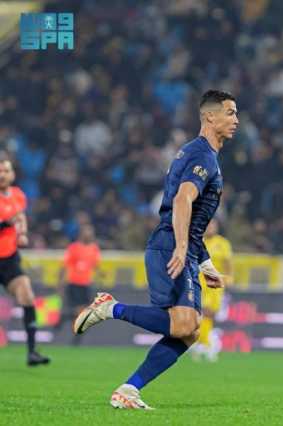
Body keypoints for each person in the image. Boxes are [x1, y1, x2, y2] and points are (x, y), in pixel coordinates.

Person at [73, 90, 238, 409]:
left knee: (188, 332)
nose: (236, 120)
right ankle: (110, 308)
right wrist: (179, 247)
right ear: (209, 117)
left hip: (182, 249)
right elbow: (181, 201)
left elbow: (195, 221)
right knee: (184, 324)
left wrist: (204, 263)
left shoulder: (198, 154)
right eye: (230, 113)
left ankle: (129, 390)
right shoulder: (202, 156)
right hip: (169, 247)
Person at [0, 159, 50, 366]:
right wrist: (5, 224)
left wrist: (22, 233)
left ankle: (32, 352)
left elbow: (20, 217)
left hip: (10, 258)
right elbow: (10, 220)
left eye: (6, 170)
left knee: (27, 297)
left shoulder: (18, 195)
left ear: (12, 174)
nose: (2, 174)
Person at [192, 218, 234, 362]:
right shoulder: (198, 241)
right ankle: (205, 345)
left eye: (213, 225)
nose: (210, 227)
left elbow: (227, 262)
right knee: (202, 312)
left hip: (215, 282)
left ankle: (202, 344)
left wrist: (229, 278)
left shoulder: (222, 243)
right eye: (208, 225)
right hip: (200, 281)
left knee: (209, 313)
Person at [56, 224, 101, 344]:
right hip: (74, 283)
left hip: (86, 285)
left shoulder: (94, 249)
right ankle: (72, 331)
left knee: (84, 312)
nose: (89, 234)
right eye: (87, 231)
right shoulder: (73, 248)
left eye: (91, 232)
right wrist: (60, 283)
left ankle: (65, 319)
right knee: (80, 310)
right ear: (81, 234)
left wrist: (99, 278)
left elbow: (95, 266)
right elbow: (64, 266)